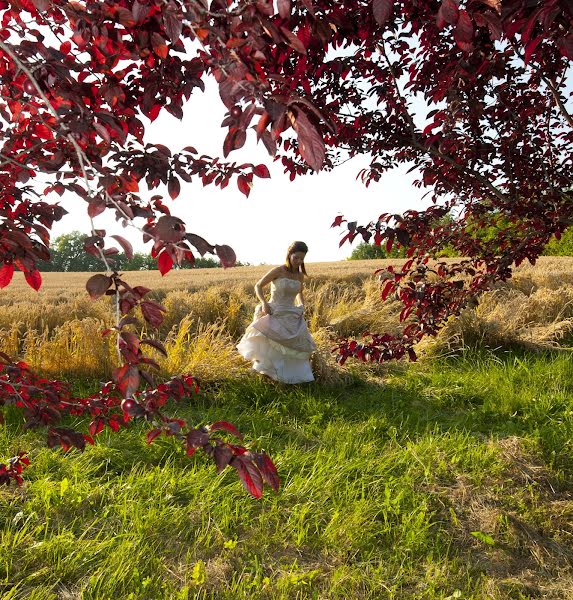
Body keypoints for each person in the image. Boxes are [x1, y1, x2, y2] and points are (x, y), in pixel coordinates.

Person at [237, 241, 316, 383]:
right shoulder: (278, 271)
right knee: (273, 348)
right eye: (296, 257)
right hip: (274, 311)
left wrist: (302, 305)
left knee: (293, 346)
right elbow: (258, 286)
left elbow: (299, 293)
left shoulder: (299, 276)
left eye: (302, 258)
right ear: (289, 255)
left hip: (292, 314)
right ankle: (271, 376)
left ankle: (288, 378)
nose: (299, 261)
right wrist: (264, 303)